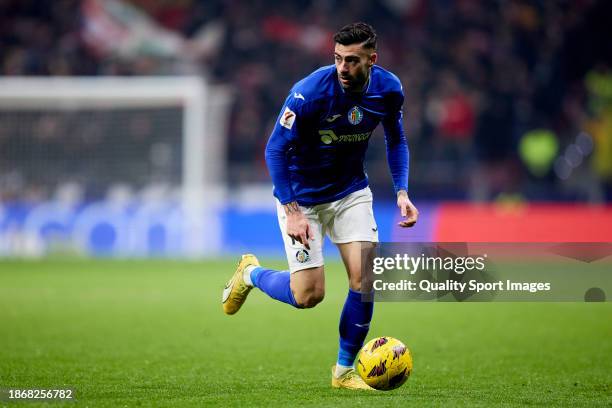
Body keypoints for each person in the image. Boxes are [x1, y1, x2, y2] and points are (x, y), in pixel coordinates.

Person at [222, 22, 418, 390]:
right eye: (338, 59)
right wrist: (293, 210)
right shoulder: (308, 93)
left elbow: (396, 139)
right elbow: (274, 149)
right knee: (308, 296)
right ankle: (250, 274)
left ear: (372, 60)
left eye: (353, 60)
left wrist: (402, 191)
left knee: (364, 279)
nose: (343, 67)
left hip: (350, 193)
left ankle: (343, 371)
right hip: (303, 198)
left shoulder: (389, 89)